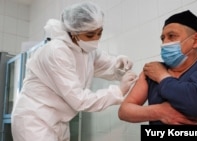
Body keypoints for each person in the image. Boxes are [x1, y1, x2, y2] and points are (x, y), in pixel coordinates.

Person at [11, 1, 137, 141]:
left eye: (99, 33)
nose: (95, 39)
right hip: (34, 119)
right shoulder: (57, 52)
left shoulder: (87, 50)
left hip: (60, 121)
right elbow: (79, 100)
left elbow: (108, 66)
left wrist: (120, 65)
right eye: (90, 35)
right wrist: (118, 91)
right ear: (73, 32)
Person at [118, 10, 197, 125]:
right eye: (163, 38)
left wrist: (162, 76)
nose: (164, 43)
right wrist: (159, 112)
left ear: (196, 41)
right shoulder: (151, 71)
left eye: (171, 36)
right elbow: (124, 111)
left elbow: (196, 104)